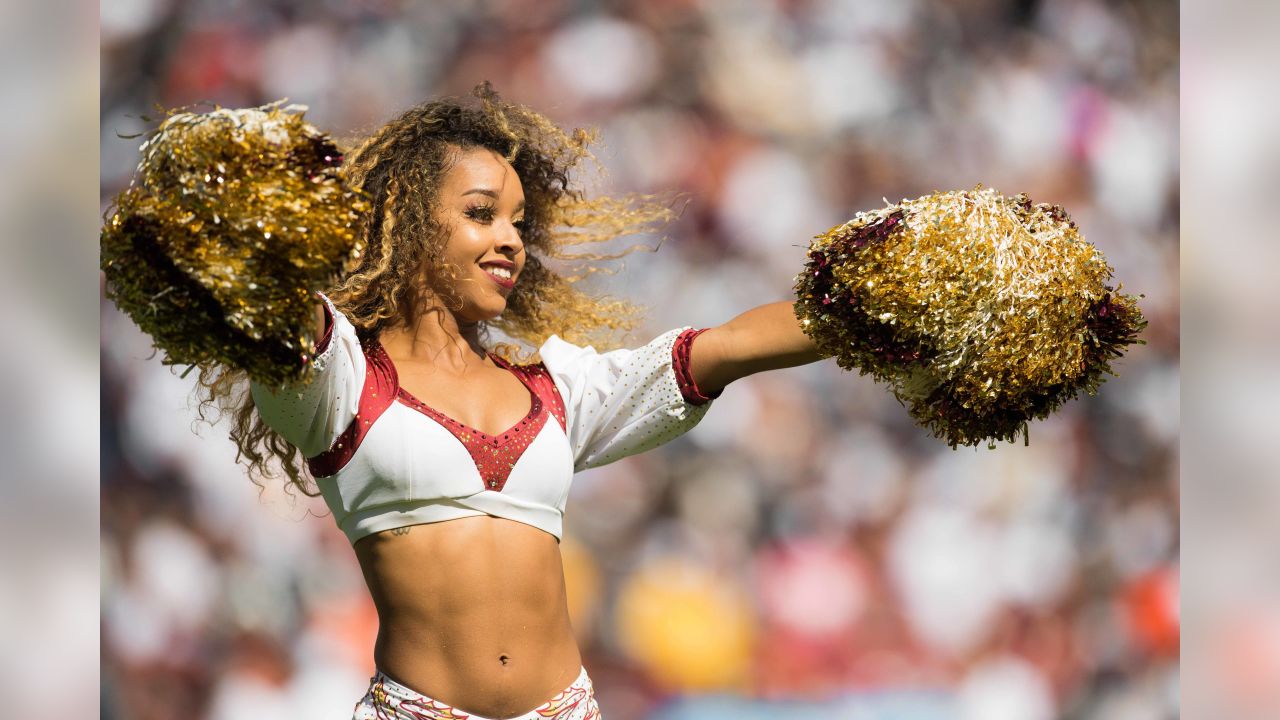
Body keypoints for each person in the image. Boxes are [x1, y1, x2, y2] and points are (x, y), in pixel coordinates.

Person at [238, 86, 824, 720]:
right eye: (482, 213)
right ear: (406, 217)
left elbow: (726, 348)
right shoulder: (344, 381)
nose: (510, 240)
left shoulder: (554, 387)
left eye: (518, 222)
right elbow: (276, 304)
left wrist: (875, 308)